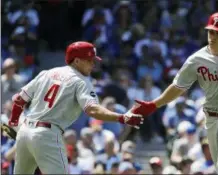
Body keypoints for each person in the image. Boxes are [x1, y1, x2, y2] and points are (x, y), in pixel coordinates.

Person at [131, 12, 218, 174]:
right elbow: (178, 87)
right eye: (210, 31)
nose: (212, 36)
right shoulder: (197, 60)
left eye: (217, 33)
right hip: (211, 119)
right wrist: (155, 104)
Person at [7, 41, 144, 174]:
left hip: (25, 131)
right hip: (47, 134)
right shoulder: (81, 81)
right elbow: (93, 110)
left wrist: (13, 122)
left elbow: (19, 100)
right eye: (89, 60)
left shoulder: (47, 73)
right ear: (76, 61)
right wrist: (122, 117)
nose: (93, 64)